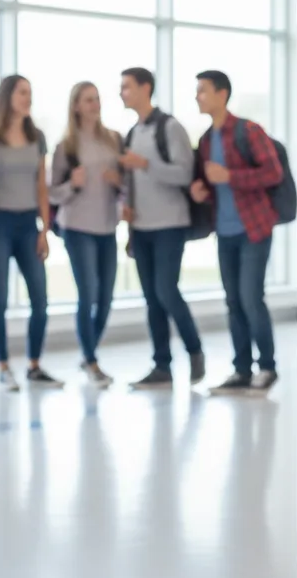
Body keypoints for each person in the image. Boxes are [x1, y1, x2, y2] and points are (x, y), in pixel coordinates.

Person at [190, 70, 283, 394]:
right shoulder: (205, 140)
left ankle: (267, 367)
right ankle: (241, 370)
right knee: (233, 302)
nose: (197, 96)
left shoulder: (248, 130)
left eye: (203, 90)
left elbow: (273, 173)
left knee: (250, 299)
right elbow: (217, 186)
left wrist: (230, 175)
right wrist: (203, 192)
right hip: (225, 231)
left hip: (254, 228)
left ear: (222, 94)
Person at [0, 74, 62, 392]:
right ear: (7, 96)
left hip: (27, 224)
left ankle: (34, 365)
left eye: (30, 93)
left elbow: (40, 185)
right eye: (22, 92)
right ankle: (3, 366)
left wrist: (44, 229)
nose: (28, 98)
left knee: (40, 298)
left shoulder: (37, 136)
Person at [118, 67, 205, 390]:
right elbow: (132, 182)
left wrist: (144, 164)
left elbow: (183, 174)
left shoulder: (170, 127)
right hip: (141, 227)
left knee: (167, 291)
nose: (121, 93)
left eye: (126, 86)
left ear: (145, 88)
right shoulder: (132, 133)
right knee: (152, 299)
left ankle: (194, 350)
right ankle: (161, 366)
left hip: (170, 224)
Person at [50, 82, 125, 387]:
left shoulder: (114, 140)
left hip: (107, 226)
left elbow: (128, 184)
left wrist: (119, 181)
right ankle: (92, 361)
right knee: (88, 294)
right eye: (88, 100)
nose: (95, 104)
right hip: (77, 227)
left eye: (97, 99)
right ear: (76, 106)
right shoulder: (66, 146)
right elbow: (52, 193)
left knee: (106, 297)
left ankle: (88, 352)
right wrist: (73, 184)